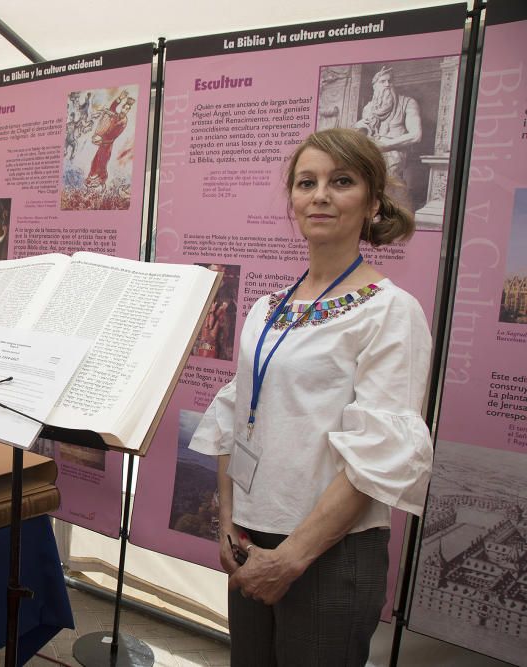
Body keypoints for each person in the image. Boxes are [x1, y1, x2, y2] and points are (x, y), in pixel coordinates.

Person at [189, 128, 434, 666]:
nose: (319, 194)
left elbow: (379, 457)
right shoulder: (267, 307)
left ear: (372, 202)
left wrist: (291, 559)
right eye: (307, 182)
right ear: (293, 200)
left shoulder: (390, 311)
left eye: (340, 181)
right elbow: (236, 414)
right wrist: (229, 522)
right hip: (252, 542)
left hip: (330, 555)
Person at [353, 66, 422, 184]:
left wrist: (385, 144)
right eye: (382, 81)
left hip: (394, 151)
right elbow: (365, 135)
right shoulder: (369, 108)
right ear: (375, 86)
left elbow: (416, 135)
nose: (387, 84)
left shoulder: (408, 103)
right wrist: (357, 127)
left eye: (390, 81)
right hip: (372, 151)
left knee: (386, 176)